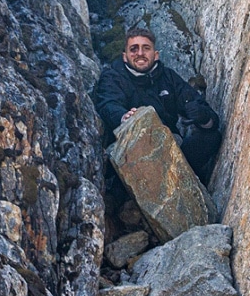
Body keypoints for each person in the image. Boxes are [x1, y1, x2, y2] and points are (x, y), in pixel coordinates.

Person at [93, 28, 222, 184]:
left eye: (146, 48)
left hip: (171, 148)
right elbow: (108, 104)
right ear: (125, 57)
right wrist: (124, 117)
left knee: (211, 137)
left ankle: (183, 181)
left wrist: (203, 117)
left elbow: (203, 110)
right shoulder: (113, 76)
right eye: (133, 49)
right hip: (132, 155)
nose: (140, 53)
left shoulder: (168, 77)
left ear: (156, 55)